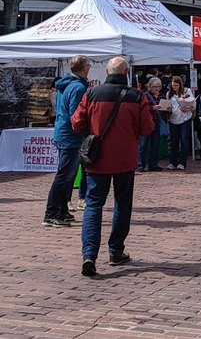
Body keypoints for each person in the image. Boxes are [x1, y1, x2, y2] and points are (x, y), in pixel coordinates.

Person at [70, 56, 154, 276]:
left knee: (93, 205)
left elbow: (77, 122)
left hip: (97, 159)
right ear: (126, 72)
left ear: (107, 71)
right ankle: (116, 250)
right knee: (122, 204)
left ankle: (89, 255)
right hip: (125, 160)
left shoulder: (91, 93)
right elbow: (147, 128)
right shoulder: (137, 96)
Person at [42, 55, 90, 228]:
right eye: (88, 65)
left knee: (68, 175)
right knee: (64, 175)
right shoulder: (77, 87)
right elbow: (76, 115)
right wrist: (86, 130)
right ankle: (51, 213)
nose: (89, 68)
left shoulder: (66, 84)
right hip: (71, 135)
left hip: (63, 132)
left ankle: (61, 209)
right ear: (83, 68)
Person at [166, 75, 195, 171]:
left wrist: (187, 108)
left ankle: (182, 162)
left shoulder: (187, 91)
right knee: (173, 141)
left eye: (176, 85)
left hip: (184, 119)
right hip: (173, 119)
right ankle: (172, 161)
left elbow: (193, 104)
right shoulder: (169, 94)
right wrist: (167, 109)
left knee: (184, 140)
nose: (174, 87)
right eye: (173, 86)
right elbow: (167, 105)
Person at [138, 77, 163, 172]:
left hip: (156, 123)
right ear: (150, 86)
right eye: (155, 87)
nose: (157, 89)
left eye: (158, 87)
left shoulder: (161, 96)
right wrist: (153, 107)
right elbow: (142, 107)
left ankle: (153, 164)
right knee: (143, 145)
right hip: (146, 123)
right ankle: (141, 165)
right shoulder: (144, 95)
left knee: (155, 145)